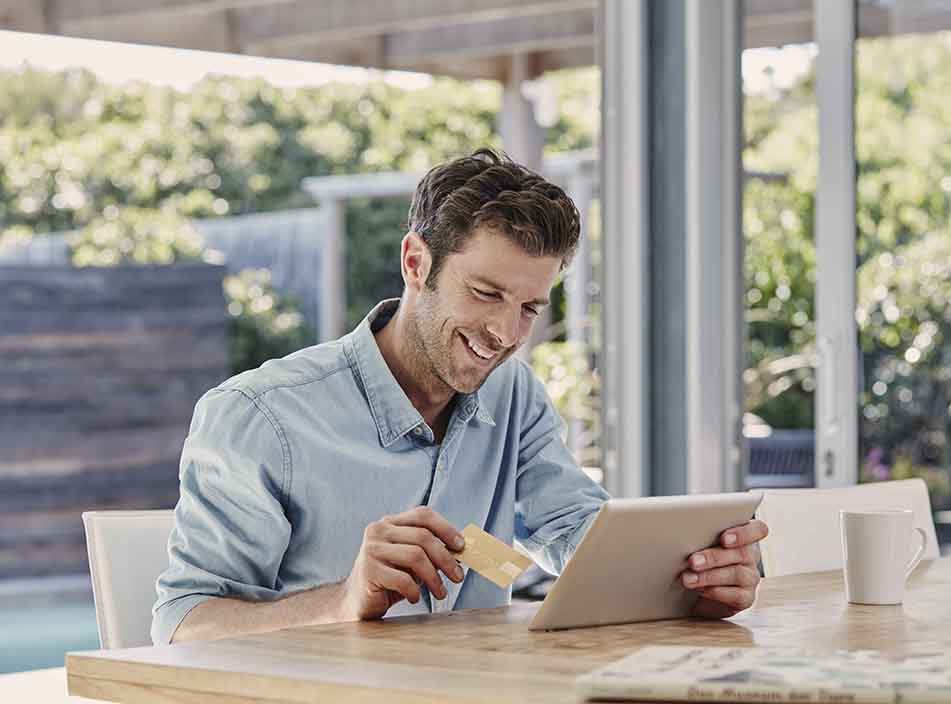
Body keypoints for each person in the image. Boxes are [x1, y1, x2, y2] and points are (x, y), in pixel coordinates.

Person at [152, 148, 768, 645]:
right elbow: (182, 626)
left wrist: (689, 578)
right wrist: (342, 602)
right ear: (417, 263)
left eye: (529, 307)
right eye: (484, 292)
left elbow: (574, 529)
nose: (506, 334)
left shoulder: (513, 394)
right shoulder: (259, 417)